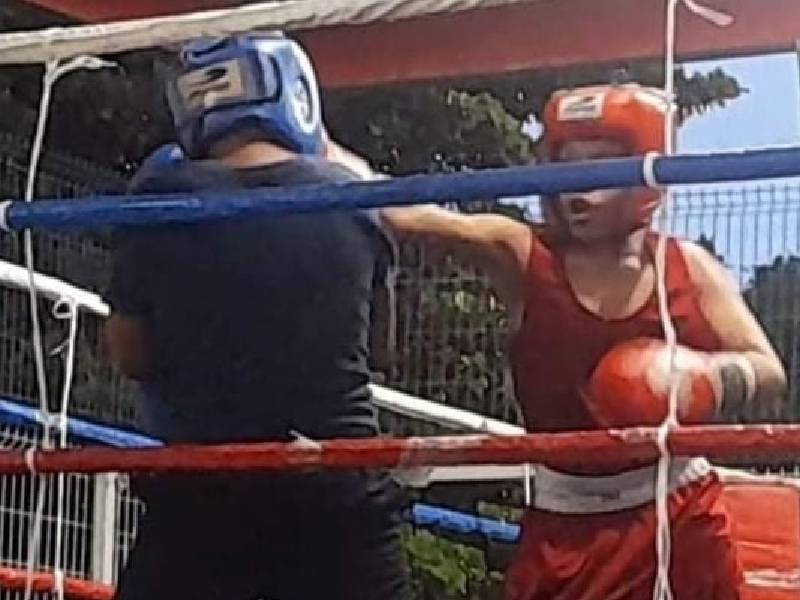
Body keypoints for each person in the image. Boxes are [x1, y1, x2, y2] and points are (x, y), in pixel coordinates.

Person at [372, 83, 787, 599]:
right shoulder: (522, 255)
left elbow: (768, 367)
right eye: (569, 166)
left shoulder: (686, 267)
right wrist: (313, 149)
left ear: (645, 180)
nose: (579, 190)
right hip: (565, 525)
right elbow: (398, 211)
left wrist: (700, 377)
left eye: (602, 170)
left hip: (678, 513)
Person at [105, 33, 411, 600]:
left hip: (201, 493)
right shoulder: (355, 200)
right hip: (337, 489)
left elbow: (129, 354)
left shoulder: (156, 202)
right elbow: (381, 351)